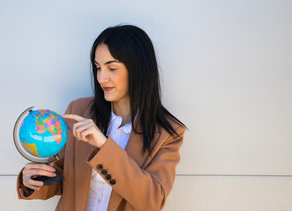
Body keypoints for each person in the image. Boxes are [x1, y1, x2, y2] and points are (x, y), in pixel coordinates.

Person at [16, 24, 187, 211]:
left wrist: (104, 146)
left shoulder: (167, 133)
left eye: (112, 68)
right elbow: (62, 178)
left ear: (139, 69)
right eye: (98, 68)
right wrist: (34, 179)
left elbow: (152, 201)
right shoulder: (79, 110)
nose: (101, 78)